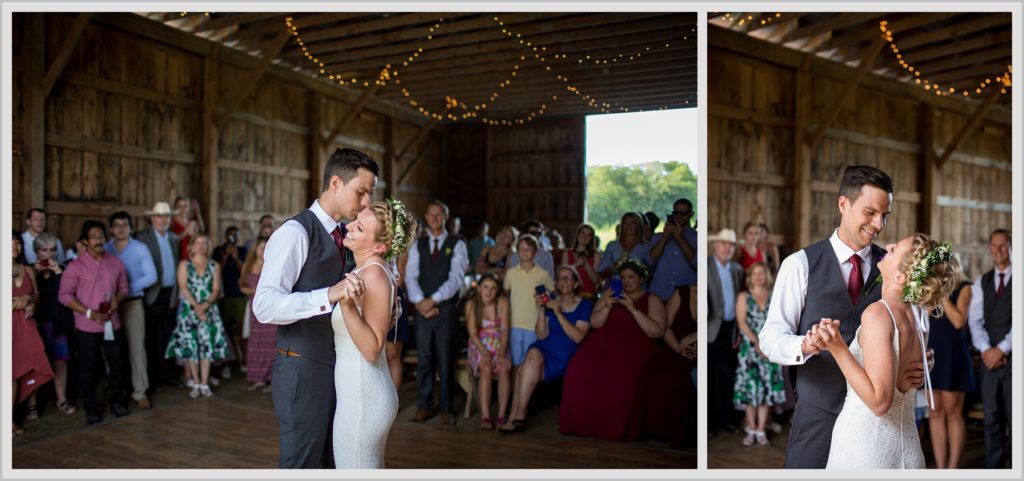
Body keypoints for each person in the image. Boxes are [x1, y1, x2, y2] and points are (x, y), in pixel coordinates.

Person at [758, 165, 925, 468]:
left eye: (885, 215)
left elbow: (912, 331)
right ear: (843, 204)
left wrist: (922, 363)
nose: (879, 224)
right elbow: (770, 338)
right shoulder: (799, 265)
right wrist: (805, 345)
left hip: (874, 425)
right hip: (817, 413)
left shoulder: (893, 269)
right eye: (870, 212)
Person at [253, 147, 378, 468]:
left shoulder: (343, 236)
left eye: (370, 193)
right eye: (360, 191)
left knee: (326, 463)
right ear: (336, 183)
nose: (366, 202)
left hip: (333, 368)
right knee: (302, 464)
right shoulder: (294, 233)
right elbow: (264, 306)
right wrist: (329, 294)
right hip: (301, 368)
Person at [813, 234, 959, 469]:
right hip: (908, 448)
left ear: (901, 276)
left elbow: (880, 403)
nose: (888, 246)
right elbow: (904, 373)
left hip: (867, 447)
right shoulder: (919, 314)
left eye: (894, 249)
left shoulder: (878, 314)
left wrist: (837, 348)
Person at [330, 199, 416, 468]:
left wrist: (345, 303)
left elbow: (372, 349)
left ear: (379, 246)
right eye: (356, 220)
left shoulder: (374, 275)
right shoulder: (369, 269)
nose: (349, 226)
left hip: (363, 398)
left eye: (360, 228)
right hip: (356, 393)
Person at [559, 258, 666, 442]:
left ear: (641, 279)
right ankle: (581, 424)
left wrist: (632, 309)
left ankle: (611, 428)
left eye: (631, 277)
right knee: (578, 370)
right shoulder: (610, 293)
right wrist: (607, 306)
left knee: (619, 378)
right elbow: (593, 322)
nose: (626, 281)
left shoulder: (652, 299)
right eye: (623, 277)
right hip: (602, 341)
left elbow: (656, 331)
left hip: (634, 344)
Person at [500, 265, 591, 433]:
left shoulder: (584, 305)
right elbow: (541, 335)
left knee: (521, 370)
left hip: (564, 352)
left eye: (568, 278)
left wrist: (558, 313)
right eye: (560, 278)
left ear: (576, 284)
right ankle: (519, 412)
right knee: (533, 353)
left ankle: (514, 416)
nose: (564, 281)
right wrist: (542, 311)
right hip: (544, 347)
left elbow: (578, 337)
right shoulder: (551, 301)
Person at [58, 221, 131, 425]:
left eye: (101, 236)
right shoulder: (75, 266)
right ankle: (91, 409)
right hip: (87, 326)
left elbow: (125, 288)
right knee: (89, 367)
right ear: (84, 241)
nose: (98, 240)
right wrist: (89, 312)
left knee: (117, 364)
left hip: (112, 323)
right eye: (93, 237)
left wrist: (119, 298)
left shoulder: (116, 264)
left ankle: (116, 403)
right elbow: (63, 295)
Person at [405, 200, 469, 425]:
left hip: (446, 310)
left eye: (439, 214)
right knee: (424, 359)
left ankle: (446, 408)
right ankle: (424, 406)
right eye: (431, 214)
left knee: (445, 359)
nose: (434, 218)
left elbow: (456, 279)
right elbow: (410, 277)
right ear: (426, 216)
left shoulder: (457, 244)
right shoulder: (418, 245)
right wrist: (421, 302)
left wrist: (433, 300)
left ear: (446, 217)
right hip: (422, 311)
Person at [967, 228, 1012, 469]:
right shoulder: (981, 282)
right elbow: (975, 321)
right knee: (991, 422)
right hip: (989, 363)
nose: (998, 250)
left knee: (1016, 422)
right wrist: (986, 350)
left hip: (1014, 362)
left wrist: (1002, 349)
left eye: (1003, 245)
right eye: (994, 245)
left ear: (1012, 248)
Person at [165, 234, 231, 398]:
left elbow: (216, 289)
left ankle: (204, 383)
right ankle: (195, 381)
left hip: (209, 309)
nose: (201, 246)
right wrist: (197, 307)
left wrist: (205, 306)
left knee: (207, 347)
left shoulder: (214, 265)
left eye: (204, 243)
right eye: (197, 243)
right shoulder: (184, 265)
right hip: (190, 310)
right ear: (192, 246)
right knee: (191, 347)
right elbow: (183, 288)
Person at [106, 212, 158, 409]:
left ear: (130, 227)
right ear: (111, 228)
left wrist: (124, 289)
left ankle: (140, 391)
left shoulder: (140, 248)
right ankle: (118, 391)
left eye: (124, 225)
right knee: (112, 351)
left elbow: (151, 276)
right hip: (109, 306)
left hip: (133, 303)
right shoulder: (105, 248)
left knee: (137, 348)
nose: (120, 228)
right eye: (116, 225)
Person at [637, 283, 697, 449]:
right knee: (651, 371)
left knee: (678, 379)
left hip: (699, 346)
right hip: (673, 343)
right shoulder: (682, 292)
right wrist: (677, 346)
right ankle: (652, 429)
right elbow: (665, 326)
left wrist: (695, 335)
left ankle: (680, 432)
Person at [733, 262, 785, 446]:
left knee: (767, 390)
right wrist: (757, 342)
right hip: (750, 349)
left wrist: (767, 344)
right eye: (754, 273)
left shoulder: (774, 296)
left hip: (770, 349)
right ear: (750, 277)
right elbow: (741, 323)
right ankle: (751, 427)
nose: (758, 276)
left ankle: (762, 429)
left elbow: (780, 321)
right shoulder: (743, 296)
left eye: (762, 273)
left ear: (767, 276)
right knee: (750, 391)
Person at [927, 267, 974, 469]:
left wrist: (942, 293)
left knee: (953, 412)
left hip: (954, 355)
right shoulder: (927, 288)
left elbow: (958, 321)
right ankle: (940, 468)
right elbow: (923, 315)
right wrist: (931, 291)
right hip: (933, 351)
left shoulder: (964, 287)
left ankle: (952, 469)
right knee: (935, 413)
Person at [136, 201, 183, 390]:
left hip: (170, 293)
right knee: (150, 338)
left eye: (167, 216)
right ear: (152, 218)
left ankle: (168, 376)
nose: (163, 220)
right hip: (152, 294)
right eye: (160, 216)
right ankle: (153, 379)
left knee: (168, 337)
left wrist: (177, 294)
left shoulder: (174, 238)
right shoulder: (142, 237)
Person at [12, 231, 54, 436]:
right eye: (10, 242)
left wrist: (29, 299)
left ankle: (16, 416)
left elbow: (38, 295)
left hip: (25, 324)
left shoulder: (27, 268)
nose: (15, 246)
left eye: (18, 243)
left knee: (24, 367)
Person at [31, 232, 77, 417]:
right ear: (36, 251)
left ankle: (61, 399)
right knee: (34, 364)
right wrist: (34, 274)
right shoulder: (28, 269)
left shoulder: (64, 269)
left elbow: (67, 295)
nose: (48, 255)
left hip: (57, 323)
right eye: (43, 250)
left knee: (59, 362)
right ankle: (31, 403)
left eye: (52, 250)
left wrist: (58, 272)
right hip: (36, 323)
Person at [502, 235, 555, 383]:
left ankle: (527, 400)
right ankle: (515, 400)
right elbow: (505, 296)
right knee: (515, 363)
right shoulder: (511, 273)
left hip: (534, 326)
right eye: (521, 249)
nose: (525, 252)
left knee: (529, 364)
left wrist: (544, 303)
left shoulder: (543, 274)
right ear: (517, 251)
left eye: (529, 249)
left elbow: (554, 292)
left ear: (535, 252)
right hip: (514, 324)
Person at [707, 228, 743, 436]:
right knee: (709, 379)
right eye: (722, 244)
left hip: (730, 329)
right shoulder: (706, 266)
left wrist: (737, 330)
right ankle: (708, 424)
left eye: (730, 245)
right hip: (711, 330)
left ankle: (726, 419)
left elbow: (738, 302)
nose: (726, 248)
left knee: (726, 378)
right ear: (715, 245)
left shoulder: (737, 269)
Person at [465, 273, 511, 430]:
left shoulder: (503, 302)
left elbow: (505, 330)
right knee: (486, 367)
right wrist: (484, 352)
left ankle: (501, 415)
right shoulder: (471, 304)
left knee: (503, 367)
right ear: (478, 288)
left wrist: (501, 352)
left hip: (499, 342)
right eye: (485, 287)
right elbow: (472, 333)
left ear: (498, 290)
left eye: (493, 288)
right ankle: (485, 415)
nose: (488, 292)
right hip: (478, 344)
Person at [212, 225, 248, 377]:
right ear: (225, 236)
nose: (232, 238)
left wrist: (236, 258)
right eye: (230, 235)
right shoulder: (217, 251)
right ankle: (226, 363)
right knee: (225, 330)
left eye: (235, 235)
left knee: (240, 331)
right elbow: (216, 271)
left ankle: (244, 361)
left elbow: (245, 273)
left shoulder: (243, 251)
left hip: (240, 295)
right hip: (224, 296)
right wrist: (226, 257)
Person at [647, 198, 698, 301]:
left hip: (686, 296)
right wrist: (664, 238)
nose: (679, 216)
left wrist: (680, 238)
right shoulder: (658, 237)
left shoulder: (697, 238)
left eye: (683, 213)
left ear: (691, 214)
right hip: (659, 294)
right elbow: (650, 261)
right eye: (676, 213)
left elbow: (697, 263)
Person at [241, 237, 274, 392]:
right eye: (261, 248)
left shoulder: (273, 264)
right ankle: (258, 378)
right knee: (256, 343)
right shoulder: (248, 265)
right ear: (255, 249)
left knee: (271, 343)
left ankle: (271, 379)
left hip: (270, 307)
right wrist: (252, 291)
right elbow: (242, 286)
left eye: (266, 247)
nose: (263, 251)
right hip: (254, 308)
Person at [597, 212, 651, 280]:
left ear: (638, 226)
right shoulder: (612, 246)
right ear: (622, 225)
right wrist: (615, 266)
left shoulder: (646, 247)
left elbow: (651, 272)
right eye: (626, 223)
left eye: (633, 223)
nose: (629, 226)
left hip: (638, 288)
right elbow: (601, 272)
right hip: (616, 286)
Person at [562, 224, 602, 300]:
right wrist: (574, 265)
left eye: (588, 235)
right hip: (570, 296)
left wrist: (587, 267)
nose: (585, 236)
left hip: (589, 296)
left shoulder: (596, 255)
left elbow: (596, 281)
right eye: (582, 233)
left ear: (591, 238)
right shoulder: (567, 253)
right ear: (577, 235)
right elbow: (562, 277)